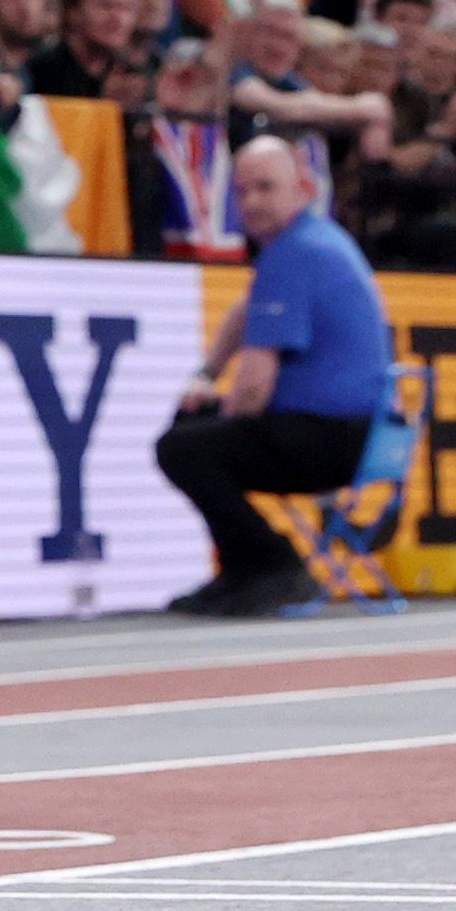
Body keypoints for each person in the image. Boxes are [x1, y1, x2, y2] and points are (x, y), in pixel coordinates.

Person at [156, 136, 392, 618]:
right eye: (242, 192)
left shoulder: (293, 256)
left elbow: (255, 387)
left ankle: (269, 563)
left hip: (330, 439)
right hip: (366, 439)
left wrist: (214, 408)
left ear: (303, 188)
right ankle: (247, 568)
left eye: (265, 188)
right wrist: (208, 373)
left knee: (183, 446)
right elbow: (248, 310)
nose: (252, 202)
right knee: (201, 435)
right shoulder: (315, 242)